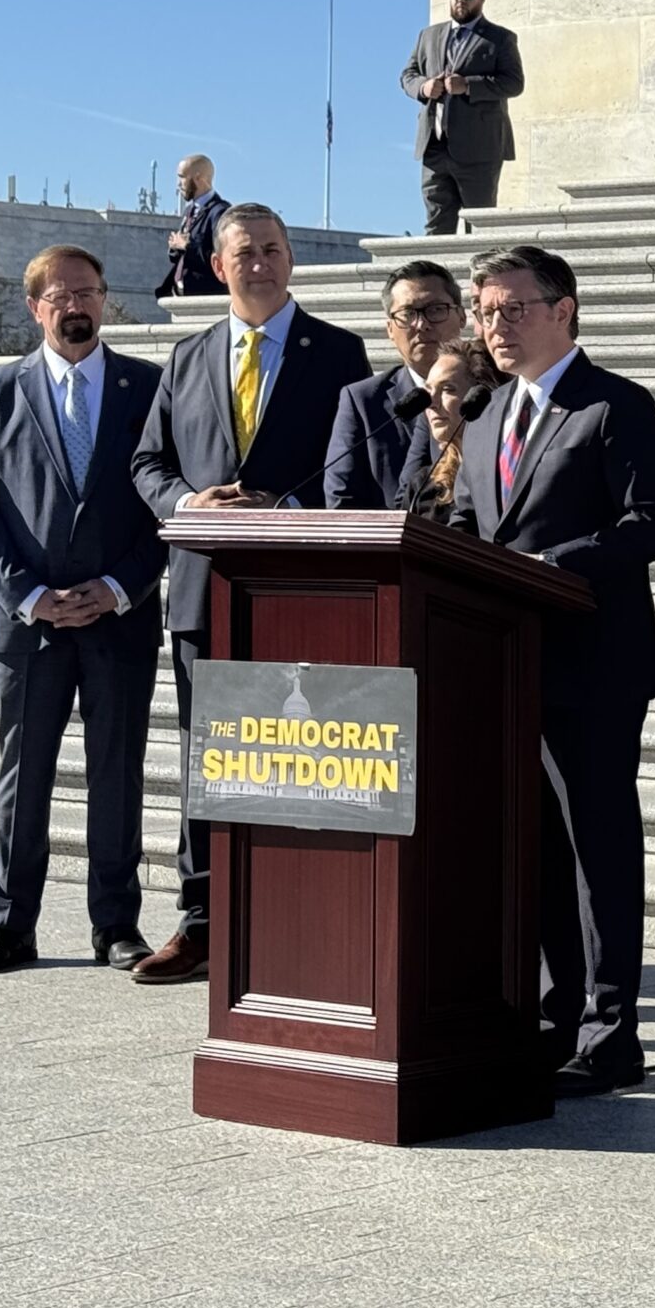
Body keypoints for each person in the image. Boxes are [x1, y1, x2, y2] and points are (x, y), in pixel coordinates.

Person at [450, 246, 655, 1097]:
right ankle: (559, 1016)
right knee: (537, 852)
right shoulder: (482, 418)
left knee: (597, 851)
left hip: (594, 668)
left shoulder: (615, 406)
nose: (496, 326)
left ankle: (613, 1032)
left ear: (565, 309)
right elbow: (469, 537)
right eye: (486, 311)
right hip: (507, 670)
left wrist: (552, 563)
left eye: (514, 309)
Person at [128, 203, 372, 984]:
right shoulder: (189, 357)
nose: (259, 263)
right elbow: (147, 464)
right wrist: (186, 506)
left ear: (291, 259)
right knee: (210, 760)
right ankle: (201, 920)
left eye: (272, 250)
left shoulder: (340, 353)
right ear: (218, 266)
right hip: (206, 591)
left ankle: (307, 921)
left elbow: (354, 468)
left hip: (302, 591)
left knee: (302, 759)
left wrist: (287, 513)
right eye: (244, 253)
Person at [0, 246, 165, 975]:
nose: (77, 306)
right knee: (24, 775)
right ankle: (10, 925)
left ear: (107, 299)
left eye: (90, 292)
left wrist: (116, 587)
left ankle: (117, 925)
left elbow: (162, 509)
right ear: (34, 306)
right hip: (26, 626)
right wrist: (29, 596)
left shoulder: (150, 387)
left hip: (119, 617)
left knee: (117, 774)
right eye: (61, 295)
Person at [324, 260, 466, 510]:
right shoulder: (363, 400)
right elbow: (342, 500)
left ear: (462, 316)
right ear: (389, 329)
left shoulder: (490, 389)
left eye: (436, 310)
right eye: (408, 314)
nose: (422, 325)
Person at [403, 0, 525, 235]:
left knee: (478, 225)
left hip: (479, 150)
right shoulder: (428, 36)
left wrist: (468, 85)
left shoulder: (500, 39)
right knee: (436, 226)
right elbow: (408, 76)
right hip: (434, 147)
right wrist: (424, 87)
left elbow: (514, 83)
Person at [394, 342, 491, 512]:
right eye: (428, 390)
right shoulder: (423, 485)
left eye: (447, 389)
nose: (431, 404)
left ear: (479, 397)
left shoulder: (504, 478)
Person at [155, 155, 229, 299]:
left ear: (198, 178)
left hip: (206, 298)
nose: (178, 183)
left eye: (182, 177)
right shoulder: (189, 211)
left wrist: (187, 245)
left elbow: (220, 256)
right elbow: (185, 257)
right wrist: (176, 248)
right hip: (181, 296)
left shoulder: (220, 212)